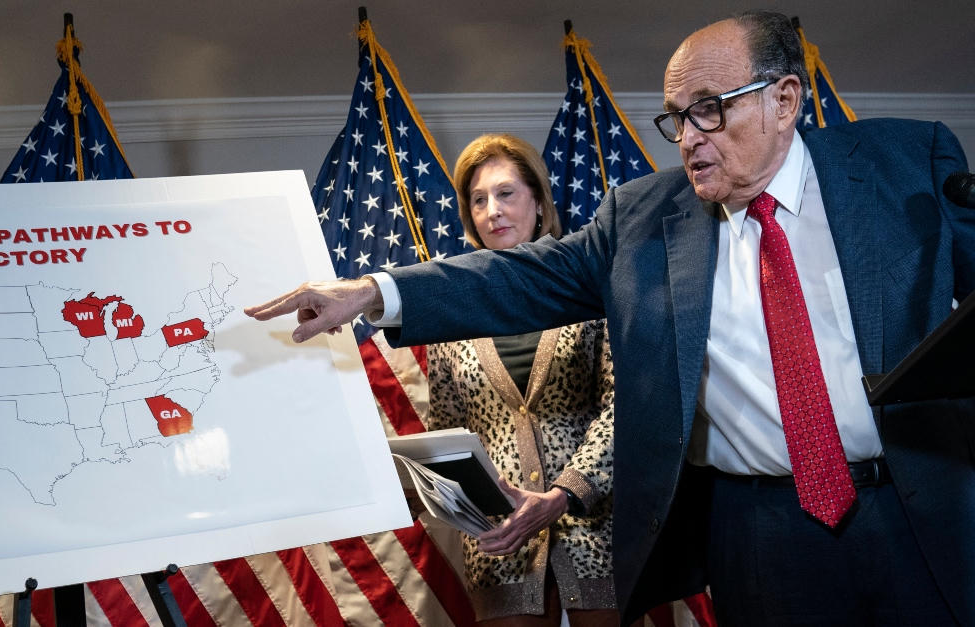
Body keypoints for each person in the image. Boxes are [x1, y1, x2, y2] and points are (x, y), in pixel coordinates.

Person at [247, 10, 975, 626]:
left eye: (709, 109)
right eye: (676, 118)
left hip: (919, 505)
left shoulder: (907, 163)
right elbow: (520, 275)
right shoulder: (642, 219)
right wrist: (373, 292)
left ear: (784, 99)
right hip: (760, 533)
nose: (687, 137)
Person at [426, 133, 618, 626]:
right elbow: (447, 434)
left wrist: (566, 492)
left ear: (538, 200)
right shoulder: (450, 314)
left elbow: (624, 408)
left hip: (597, 534)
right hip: (500, 545)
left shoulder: (589, 290)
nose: (493, 210)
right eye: (478, 199)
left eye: (506, 193)